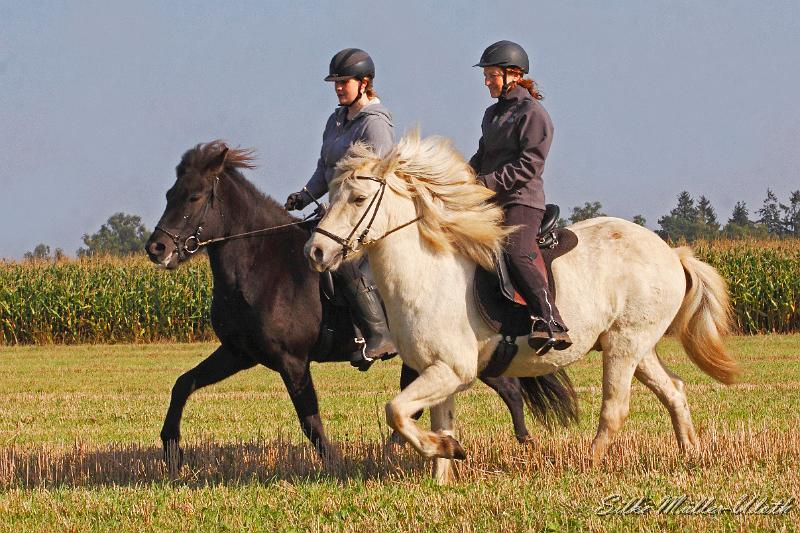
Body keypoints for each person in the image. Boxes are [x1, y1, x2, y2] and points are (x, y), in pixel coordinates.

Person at [284, 48, 397, 368]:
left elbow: (377, 179)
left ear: (364, 83)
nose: (337, 87)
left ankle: (377, 334)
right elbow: (324, 169)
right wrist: (305, 195)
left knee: (340, 261)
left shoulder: (375, 124)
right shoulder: (336, 120)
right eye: (334, 82)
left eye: (343, 82)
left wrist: (346, 212)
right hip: (337, 213)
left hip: (365, 216)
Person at [469, 40, 572, 355]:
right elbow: (482, 155)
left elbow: (530, 164)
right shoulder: (492, 114)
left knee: (515, 252)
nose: (486, 81)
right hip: (491, 200)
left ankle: (551, 320)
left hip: (521, 201)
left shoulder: (533, 113)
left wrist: (486, 181)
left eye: (491, 75)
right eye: (485, 76)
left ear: (511, 74)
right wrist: (459, 177)